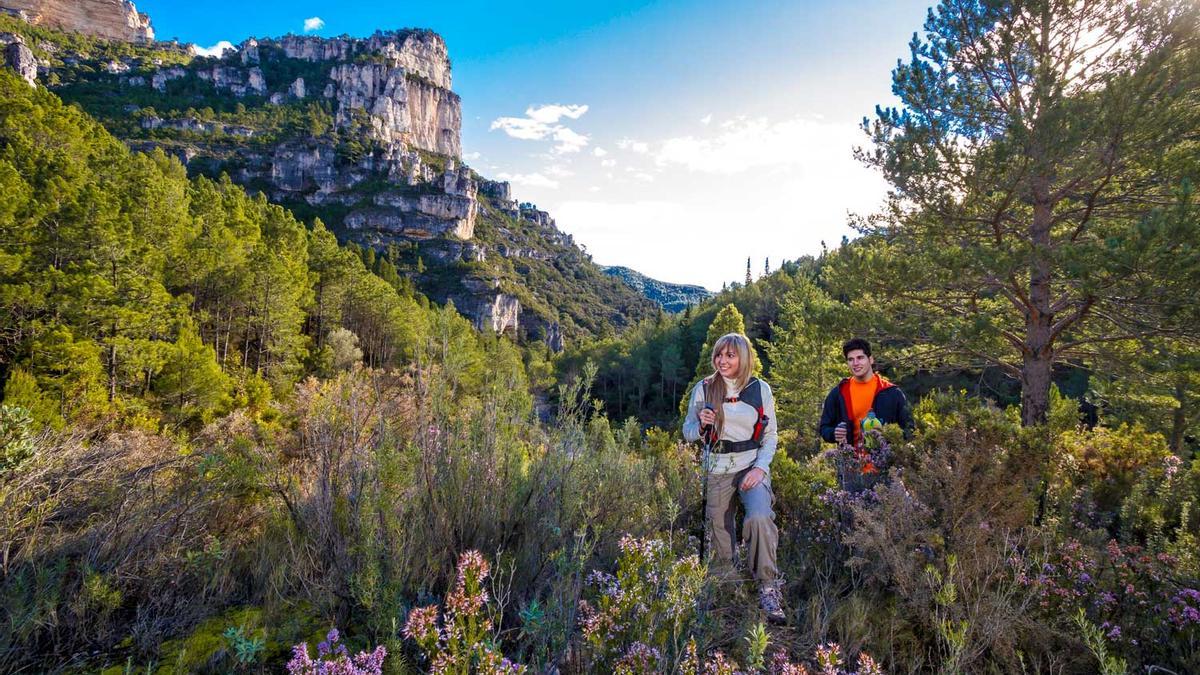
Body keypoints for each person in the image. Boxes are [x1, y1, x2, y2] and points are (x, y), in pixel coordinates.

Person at [683, 332, 784, 623]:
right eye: (719, 354)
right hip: (717, 467)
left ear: (743, 357)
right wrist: (701, 425)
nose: (722, 360)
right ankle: (726, 582)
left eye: (730, 355)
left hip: (751, 465)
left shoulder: (759, 388)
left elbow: (771, 435)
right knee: (719, 527)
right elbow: (688, 431)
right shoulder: (704, 388)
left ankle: (767, 585)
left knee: (759, 517)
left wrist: (760, 468)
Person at [819, 337, 915, 448]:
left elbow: (909, 429)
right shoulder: (838, 393)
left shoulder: (892, 392)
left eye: (860, 358)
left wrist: (889, 436)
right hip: (851, 462)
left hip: (887, 462)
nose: (855, 363)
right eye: (851, 359)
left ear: (870, 360)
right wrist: (834, 433)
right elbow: (824, 428)